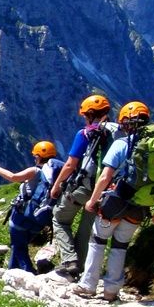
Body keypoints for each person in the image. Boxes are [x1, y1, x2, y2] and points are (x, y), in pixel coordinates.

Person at [74, 101, 154, 302]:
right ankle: (111, 291)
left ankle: (88, 285)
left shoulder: (122, 144)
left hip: (116, 201)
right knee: (120, 245)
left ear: (125, 122)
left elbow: (105, 176)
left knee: (98, 240)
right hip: (141, 205)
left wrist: (92, 200)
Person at [49, 95, 118, 279]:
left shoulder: (85, 133)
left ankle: (70, 261)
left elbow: (71, 164)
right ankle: (79, 267)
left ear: (89, 114)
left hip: (83, 187)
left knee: (59, 218)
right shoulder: (119, 132)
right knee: (86, 229)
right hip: (105, 191)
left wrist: (56, 187)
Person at [0, 141, 64, 272]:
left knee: (18, 246)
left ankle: (29, 273)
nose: (34, 158)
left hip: (21, 215)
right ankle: (12, 272)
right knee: (19, 245)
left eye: (35, 155)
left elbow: (13, 177)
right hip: (40, 218)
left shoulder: (35, 171)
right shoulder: (57, 175)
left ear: (38, 156)